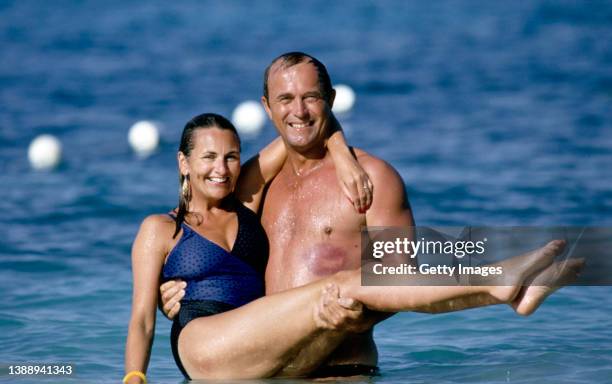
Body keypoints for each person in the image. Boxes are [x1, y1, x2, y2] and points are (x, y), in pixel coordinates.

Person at [150, 54, 582, 381]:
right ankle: (504, 286)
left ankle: (504, 284)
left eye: (311, 97)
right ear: (267, 107)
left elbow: (402, 285)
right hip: (267, 369)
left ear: (331, 101)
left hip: (341, 369)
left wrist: (353, 316)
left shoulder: (372, 179)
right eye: (285, 99)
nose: (298, 111)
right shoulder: (254, 183)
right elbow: (206, 247)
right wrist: (176, 295)